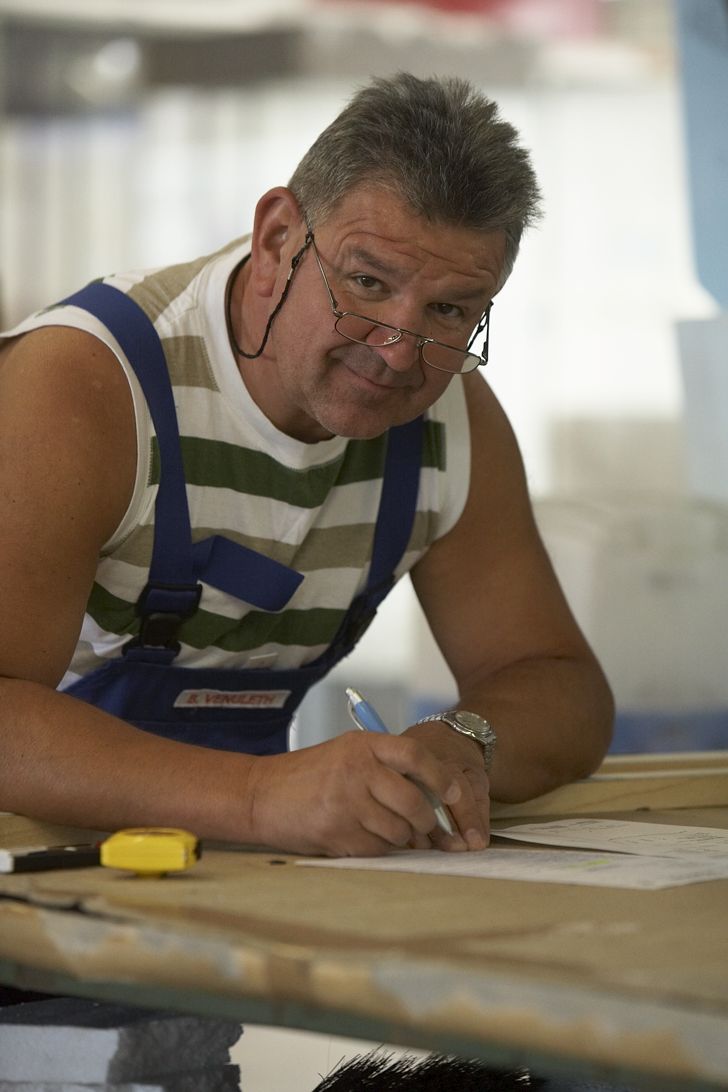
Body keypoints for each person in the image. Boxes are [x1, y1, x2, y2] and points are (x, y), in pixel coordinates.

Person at [0, 73, 613, 858]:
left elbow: (561, 683)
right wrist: (260, 797)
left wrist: (463, 743)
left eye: (449, 310)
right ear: (276, 240)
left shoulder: (448, 419)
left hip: (222, 870)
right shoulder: (90, 386)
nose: (398, 352)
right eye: (367, 283)